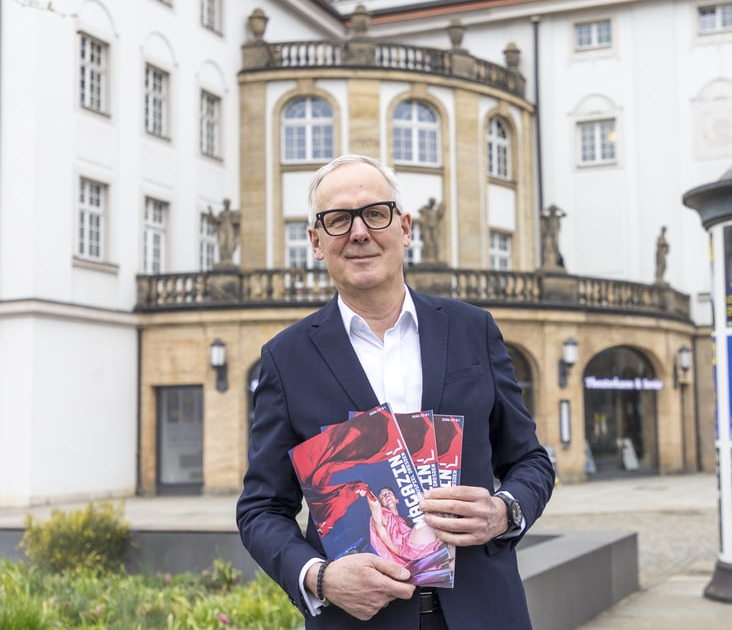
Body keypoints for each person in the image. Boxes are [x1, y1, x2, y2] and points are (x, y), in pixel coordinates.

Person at [236, 154, 555, 630]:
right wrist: (319, 578)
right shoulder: (287, 358)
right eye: (338, 220)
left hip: (486, 613)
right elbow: (261, 508)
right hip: (356, 621)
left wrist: (503, 511)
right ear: (316, 242)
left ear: (405, 228)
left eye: (375, 213)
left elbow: (531, 460)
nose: (359, 232)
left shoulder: (473, 330)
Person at [208, 199, 240, 267]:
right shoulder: (221, 213)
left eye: (227, 203)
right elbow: (216, 220)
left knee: (229, 244)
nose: (226, 205)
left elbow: (237, 223)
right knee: (222, 244)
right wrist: (211, 213)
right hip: (222, 229)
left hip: (229, 229)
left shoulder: (232, 213)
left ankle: (228, 259)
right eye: (225, 203)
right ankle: (223, 259)